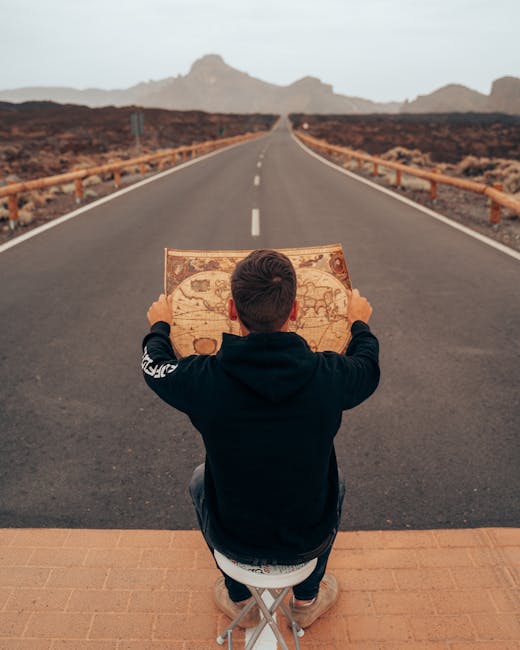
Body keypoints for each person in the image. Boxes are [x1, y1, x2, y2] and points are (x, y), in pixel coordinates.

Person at [142, 249, 379, 629]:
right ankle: (307, 598)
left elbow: (153, 366)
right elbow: (368, 366)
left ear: (232, 310)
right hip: (307, 541)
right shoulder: (329, 377)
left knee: (200, 478)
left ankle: (240, 598)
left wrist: (160, 326)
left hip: (233, 540)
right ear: (296, 309)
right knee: (337, 481)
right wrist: (359, 324)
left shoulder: (202, 379)